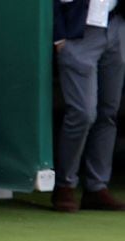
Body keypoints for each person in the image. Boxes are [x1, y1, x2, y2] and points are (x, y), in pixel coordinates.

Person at [53, 0, 125, 212]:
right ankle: (64, 185)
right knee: (83, 113)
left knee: (108, 112)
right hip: (77, 30)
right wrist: (58, 35)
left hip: (115, 25)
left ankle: (96, 187)